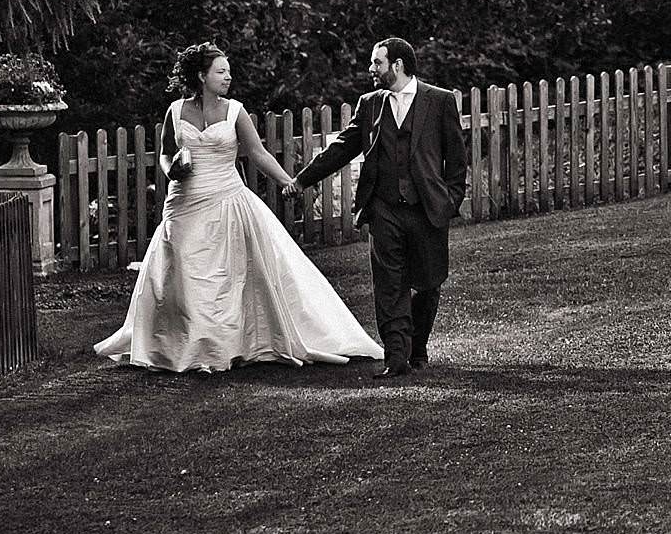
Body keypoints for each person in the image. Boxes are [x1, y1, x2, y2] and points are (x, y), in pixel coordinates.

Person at [94, 42, 383, 372]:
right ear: (201, 76)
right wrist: (170, 167)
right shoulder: (175, 110)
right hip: (184, 201)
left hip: (227, 197)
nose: (228, 76)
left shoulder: (235, 111)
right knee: (185, 268)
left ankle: (218, 346)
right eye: (221, 71)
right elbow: (164, 153)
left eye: (229, 71)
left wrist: (290, 181)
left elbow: (258, 155)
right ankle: (190, 345)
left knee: (224, 275)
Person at [284, 37, 468, 379]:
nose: (371, 69)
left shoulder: (439, 101)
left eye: (376, 63)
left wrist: (449, 201)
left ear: (397, 66)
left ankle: (417, 345)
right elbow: (342, 148)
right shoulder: (369, 104)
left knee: (428, 283)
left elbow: (457, 161)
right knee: (389, 283)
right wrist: (302, 180)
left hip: (426, 208)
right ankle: (396, 358)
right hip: (383, 208)